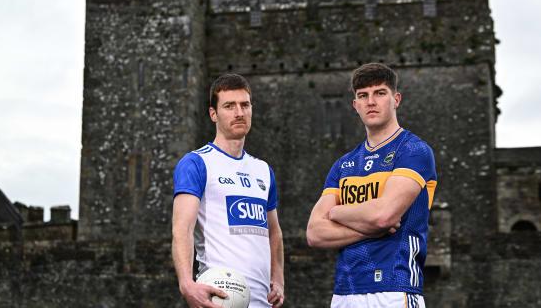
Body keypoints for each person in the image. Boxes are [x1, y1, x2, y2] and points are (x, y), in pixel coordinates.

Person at [306, 63, 437, 308]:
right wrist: (369, 226)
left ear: (396, 99)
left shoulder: (413, 150)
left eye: (380, 93)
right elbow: (314, 233)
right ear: (355, 105)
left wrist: (337, 213)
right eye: (363, 96)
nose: (371, 102)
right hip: (344, 292)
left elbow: (383, 216)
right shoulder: (343, 165)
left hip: (395, 289)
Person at [172, 73, 284, 308]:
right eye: (229, 106)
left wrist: (278, 278)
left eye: (245, 105)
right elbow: (183, 229)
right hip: (220, 299)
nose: (239, 112)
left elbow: (274, 232)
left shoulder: (263, 170)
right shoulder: (196, 163)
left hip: (262, 302)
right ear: (214, 114)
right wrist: (186, 283)